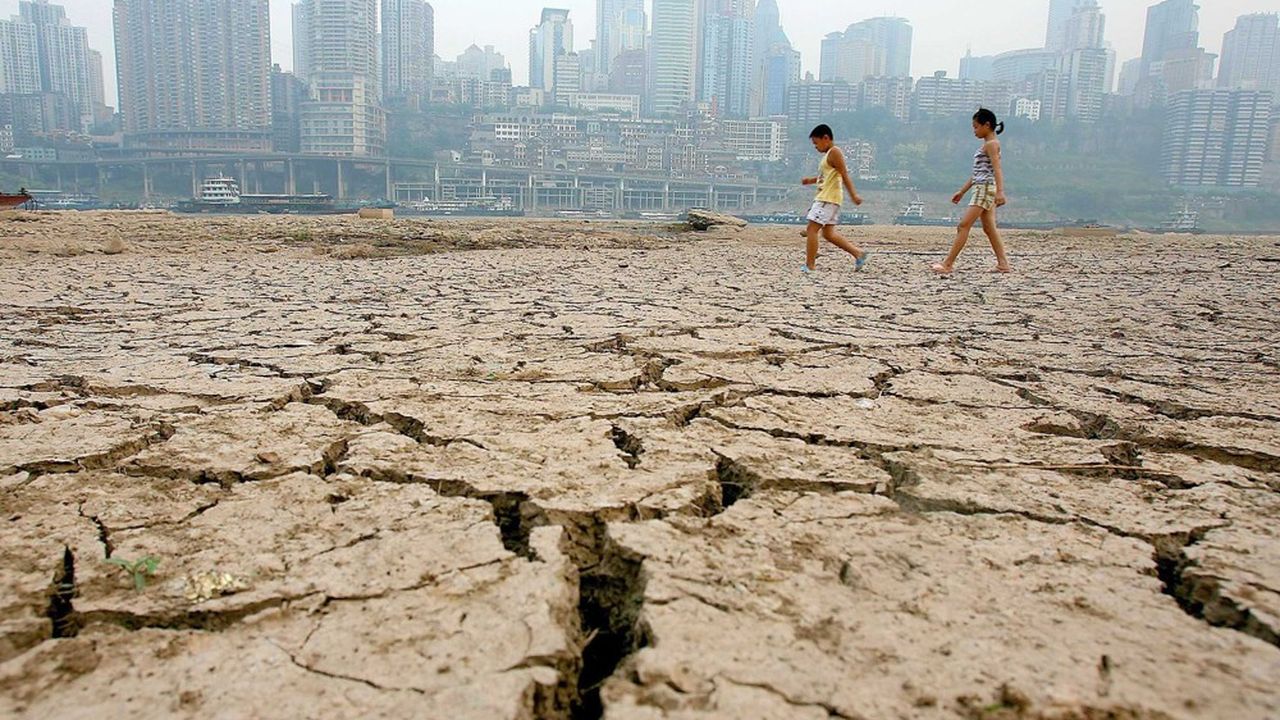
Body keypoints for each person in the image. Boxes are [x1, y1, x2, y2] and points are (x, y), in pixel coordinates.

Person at [932, 108, 1012, 275]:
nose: (974, 130)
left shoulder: (991, 145)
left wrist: (1000, 192)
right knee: (989, 228)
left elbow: (997, 169)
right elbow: (978, 174)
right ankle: (1003, 264)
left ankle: (948, 264)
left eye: (976, 127)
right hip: (982, 187)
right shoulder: (987, 145)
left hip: (984, 190)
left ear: (987, 125)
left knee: (963, 225)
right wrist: (962, 191)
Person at [800, 124, 869, 274]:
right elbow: (826, 177)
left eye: (816, 143)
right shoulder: (827, 157)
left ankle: (810, 265)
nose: (815, 147)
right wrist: (810, 181)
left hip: (828, 198)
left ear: (826, 138)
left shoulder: (834, 152)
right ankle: (858, 254)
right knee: (828, 234)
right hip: (829, 198)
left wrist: (854, 195)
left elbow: (844, 174)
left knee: (812, 229)